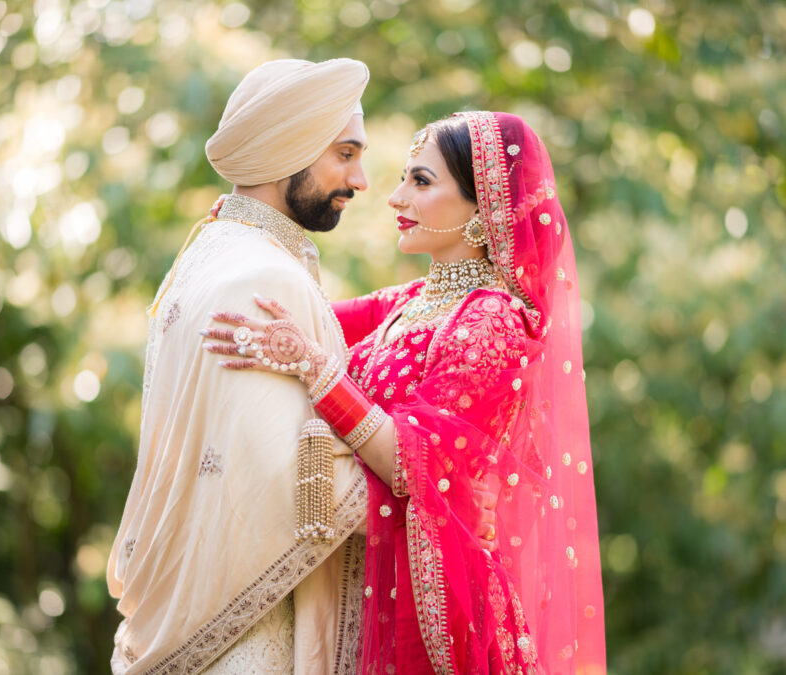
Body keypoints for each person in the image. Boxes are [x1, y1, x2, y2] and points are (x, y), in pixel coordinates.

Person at [204, 111, 606, 673]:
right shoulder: (412, 302)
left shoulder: (492, 322)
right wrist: (249, 226)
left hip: (432, 602)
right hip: (362, 580)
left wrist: (317, 370)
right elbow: (294, 310)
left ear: (481, 205)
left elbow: (411, 464)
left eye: (420, 181)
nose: (393, 198)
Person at [105, 58, 374, 675]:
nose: (359, 178)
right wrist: (427, 474)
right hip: (247, 638)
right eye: (345, 153)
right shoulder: (260, 273)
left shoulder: (211, 250)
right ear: (290, 150)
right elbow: (290, 488)